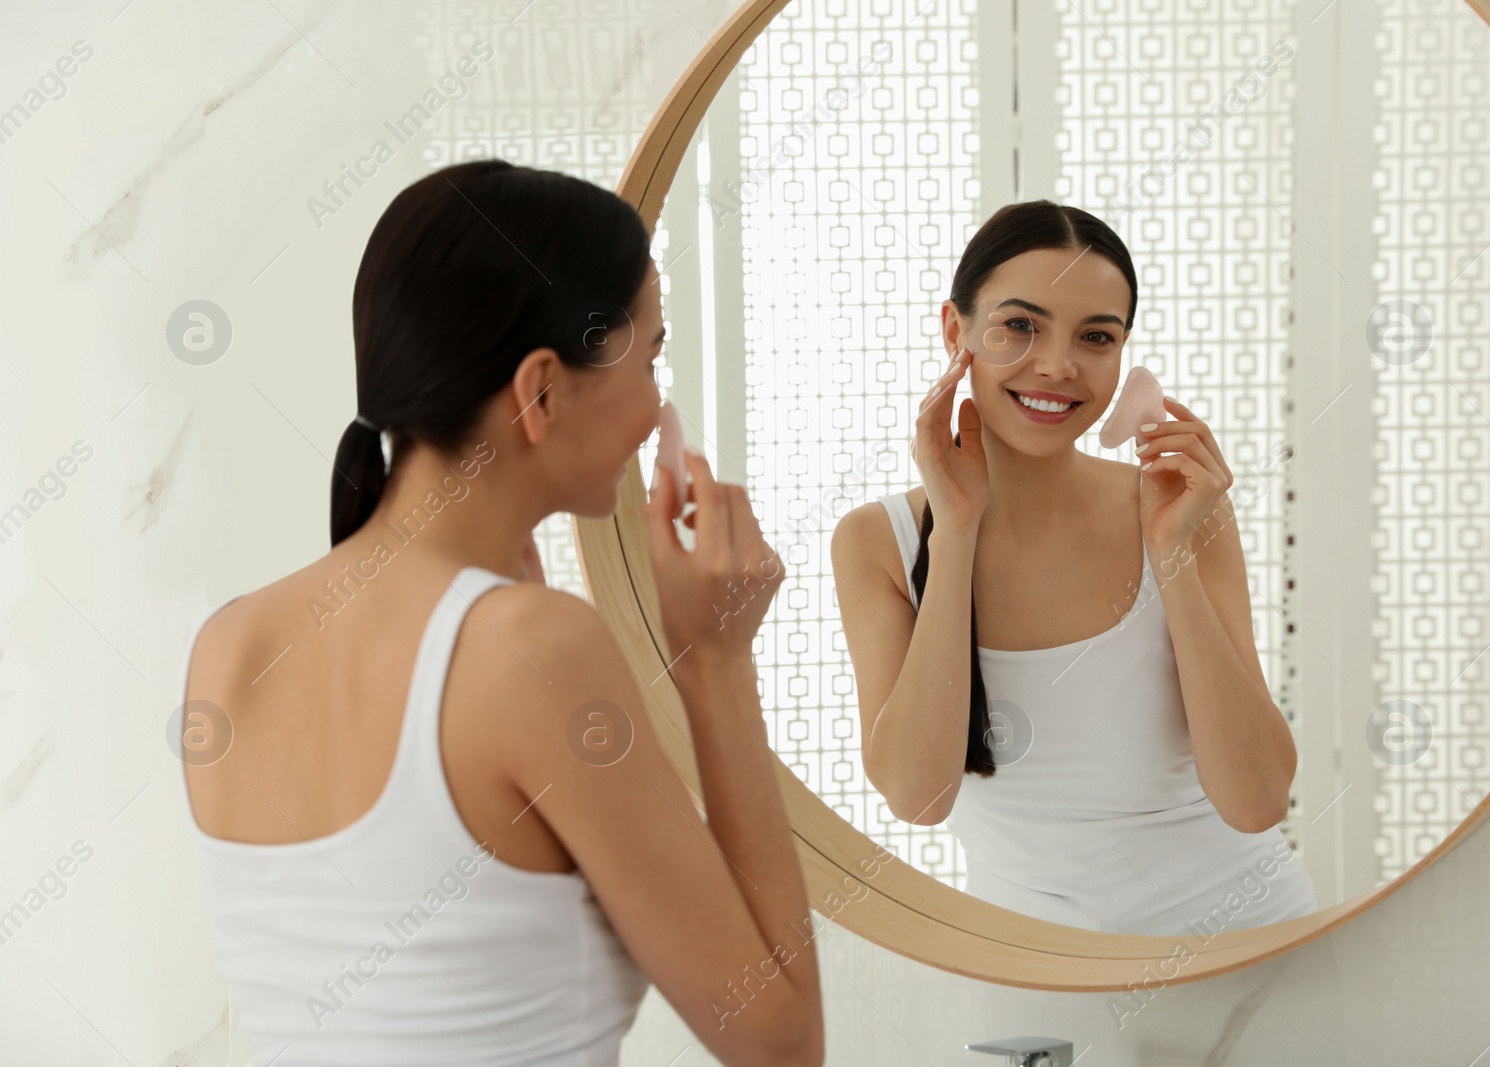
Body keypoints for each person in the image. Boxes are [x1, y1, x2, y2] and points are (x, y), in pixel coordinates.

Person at [176, 160, 823, 1066]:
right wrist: (715, 661)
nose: (657, 410)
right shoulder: (532, 651)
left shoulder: (229, 644)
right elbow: (780, 1041)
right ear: (543, 391)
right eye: (652, 355)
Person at [831, 200, 1317, 936]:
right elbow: (917, 795)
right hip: (1038, 973)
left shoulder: (1182, 508)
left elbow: (1255, 800)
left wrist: (1172, 556)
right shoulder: (878, 540)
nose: (1058, 365)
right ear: (954, 331)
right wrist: (955, 528)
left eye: (1096, 336)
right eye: (1019, 325)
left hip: (1250, 945)